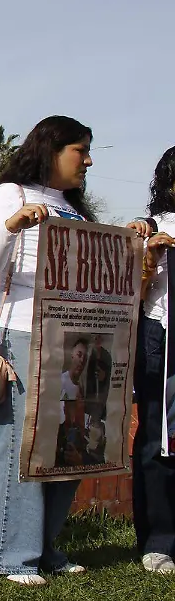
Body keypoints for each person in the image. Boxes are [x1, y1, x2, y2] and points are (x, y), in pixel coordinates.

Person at [0, 115, 98, 586]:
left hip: (74, 336)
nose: (87, 160)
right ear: (51, 149)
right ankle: (7, 553)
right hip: (22, 334)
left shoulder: (74, 208)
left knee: (68, 446)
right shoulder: (10, 194)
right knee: (20, 444)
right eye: (79, 150)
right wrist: (11, 225)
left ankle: (44, 547)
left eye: (88, 151)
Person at [126, 146, 175, 574]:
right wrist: (148, 256)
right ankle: (158, 540)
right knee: (158, 437)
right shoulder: (152, 230)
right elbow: (130, 296)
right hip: (160, 338)